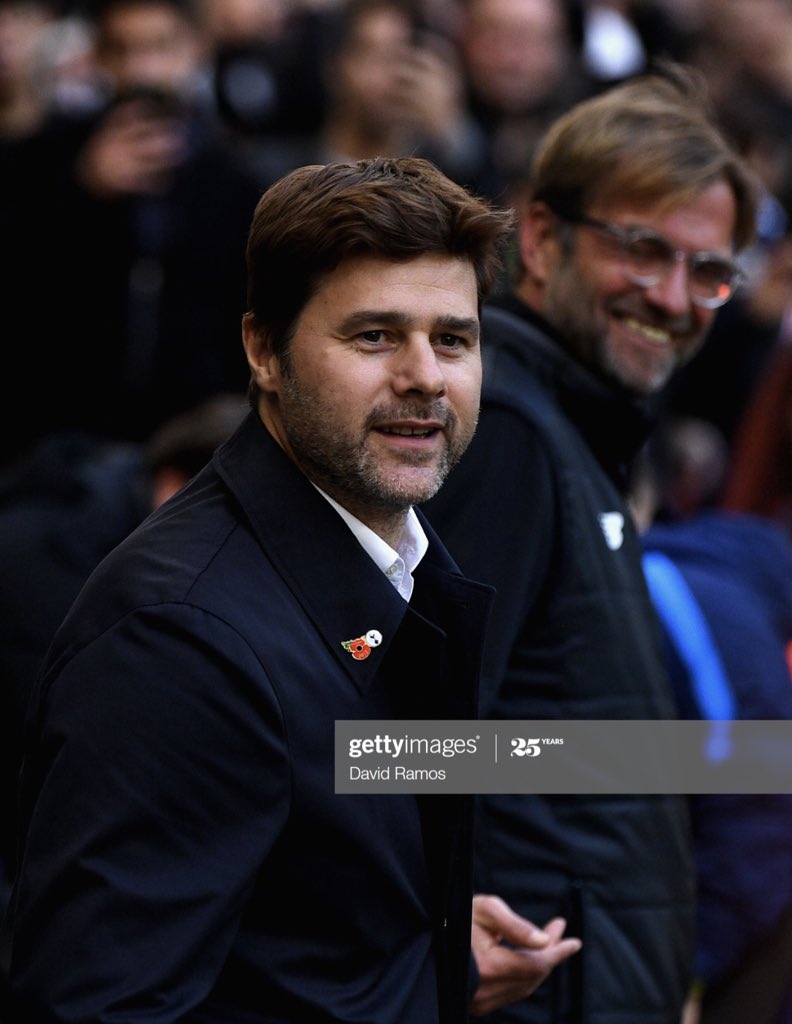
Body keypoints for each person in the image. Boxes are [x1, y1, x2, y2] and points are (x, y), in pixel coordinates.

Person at [1, 155, 581, 1023]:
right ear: (264, 350)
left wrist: (427, 960)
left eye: (453, 339)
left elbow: (303, 926)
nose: (425, 376)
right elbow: (103, 1005)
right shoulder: (178, 639)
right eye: (375, 336)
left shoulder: (398, 567)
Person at [422, 63, 760, 1023]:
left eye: (709, 272)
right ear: (540, 237)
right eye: (644, 251)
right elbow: (404, 749)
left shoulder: (570, 436)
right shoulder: (509, 436)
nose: (675, 298)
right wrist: (442, 946)